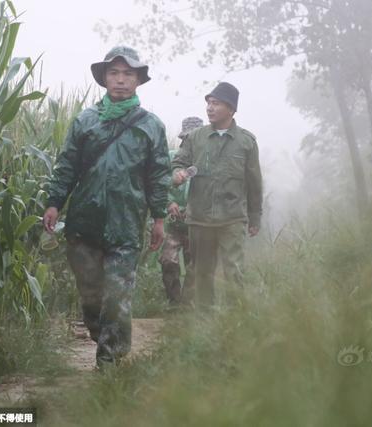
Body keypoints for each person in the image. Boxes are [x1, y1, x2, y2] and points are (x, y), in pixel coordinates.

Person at [42, 46, 170, 366]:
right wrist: (54, 202)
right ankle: (104, 336)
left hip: (126, 222)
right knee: (90, 295)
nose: (121, 80)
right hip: (85, 222)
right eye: (114, 73)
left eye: (128, 74)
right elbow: (67, 164)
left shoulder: (151, 125)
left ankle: (109, 362)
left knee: (117, 292)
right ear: (105, 79)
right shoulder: (86, 120)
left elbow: (159, 175)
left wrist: (159, 217)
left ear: (138, 80)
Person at [172, 82, 263, 307]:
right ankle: (205, 323)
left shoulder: (246, 141)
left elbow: (254, 181)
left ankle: (235, 322)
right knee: (202, 272)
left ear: (231, 109)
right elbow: (178, 163)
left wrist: (255, 217)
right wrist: (179, 173)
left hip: (232, 217)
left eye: (216, 104)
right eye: (208, 103)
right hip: (200, 218)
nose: (210, 108)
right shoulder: (196, 137)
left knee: (234, 270)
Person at [159, 116, 203, 306]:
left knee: (196, 266)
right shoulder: (169, 158)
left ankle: (187, 306)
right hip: (173, 224)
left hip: (199, 224)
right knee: (168, 261)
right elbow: (158, 185)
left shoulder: (207, 162)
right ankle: (174, 302)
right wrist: (169, 203)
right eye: (187, 139)